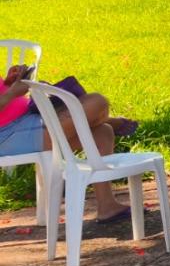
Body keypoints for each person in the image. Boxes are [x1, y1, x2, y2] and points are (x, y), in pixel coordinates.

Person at [0, 66, 132, 222]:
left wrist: (7, 85)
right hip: (10, 135)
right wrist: (12, 93)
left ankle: (107, 206)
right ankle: (106, 120)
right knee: (97, 102)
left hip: (26, 121)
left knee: (102, 133)